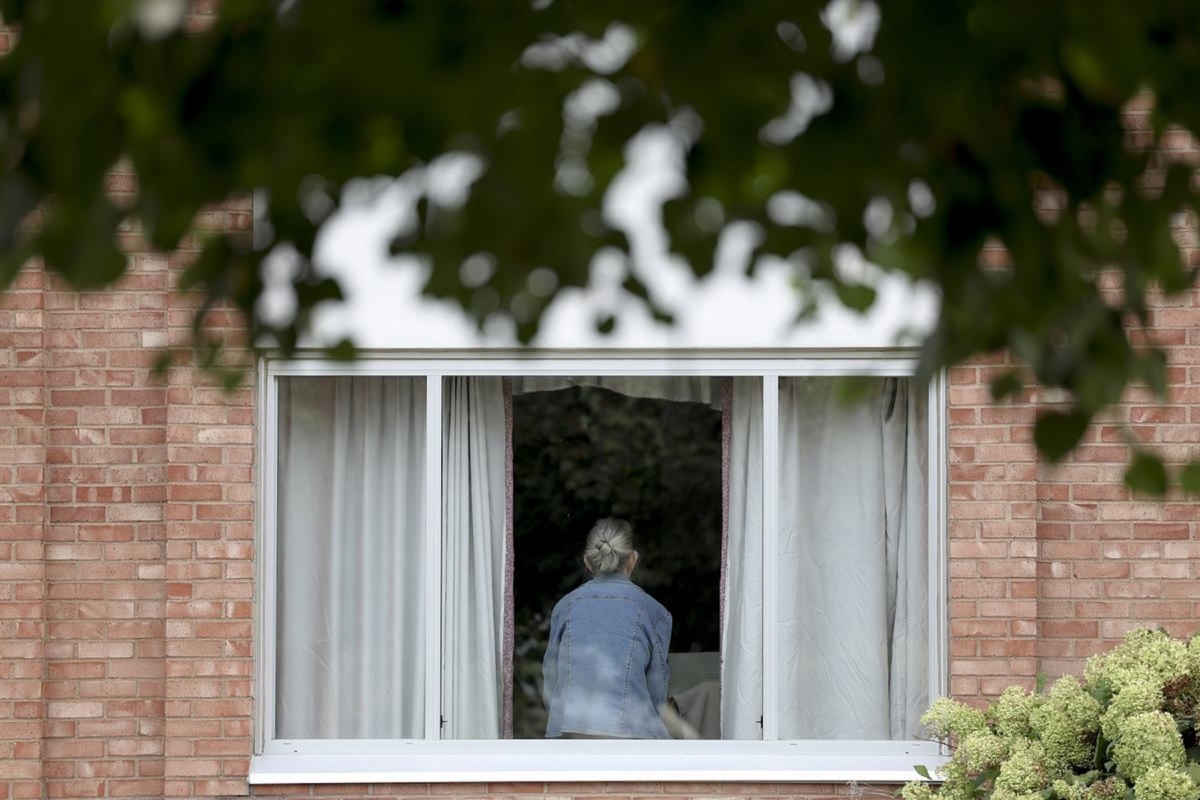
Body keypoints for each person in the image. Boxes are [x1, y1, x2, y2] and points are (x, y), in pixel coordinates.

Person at [541, 518, 673, 739]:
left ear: (587, 561)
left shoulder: (565, 607)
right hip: (634, 735)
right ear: (633, 559)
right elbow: (657, 692)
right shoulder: (654, 612)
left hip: (570, 735)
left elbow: (551, 682)